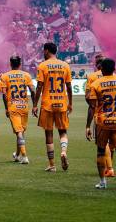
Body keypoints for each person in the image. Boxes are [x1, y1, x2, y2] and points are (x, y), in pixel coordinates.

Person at [85, 58, 116, 191]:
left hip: (102, 122)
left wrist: (88, 126)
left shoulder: (96, 84)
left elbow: (92, 107)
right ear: (114, 69)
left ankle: (102, 181)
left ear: (102, 69)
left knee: (100, 151)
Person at [33, 42, 72, 172]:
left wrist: (34, 105)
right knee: (62, 131)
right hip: (61, 103)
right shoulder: (65, 65)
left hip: (48, 104)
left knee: (48, 133)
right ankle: (64, 151)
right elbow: (69, 87)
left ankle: (52, 165)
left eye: (43, 51)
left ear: (47, 51)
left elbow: (39, 86)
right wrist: (70, 103)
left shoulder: (43, 66)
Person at [0, 55, 35, 164]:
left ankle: (24, 156)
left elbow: (4, 95)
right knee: (21, 132)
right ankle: (17, 155)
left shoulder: (5, 76)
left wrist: (6, 109)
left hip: (13, 106)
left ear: (10, 64)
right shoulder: (27, 75)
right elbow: (33, 91)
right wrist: (35, 105)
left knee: (19, 132)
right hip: (24, 106)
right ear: (20, 64)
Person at [85, 54, 114, 177]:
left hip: (100, 114)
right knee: (111, 143)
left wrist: (87, 125)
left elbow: (88, 97)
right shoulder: (115, 76)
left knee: (103, 143)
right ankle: (109, 166)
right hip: (114, 113)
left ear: (97, 65)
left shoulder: (92, 77)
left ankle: (109, 168)